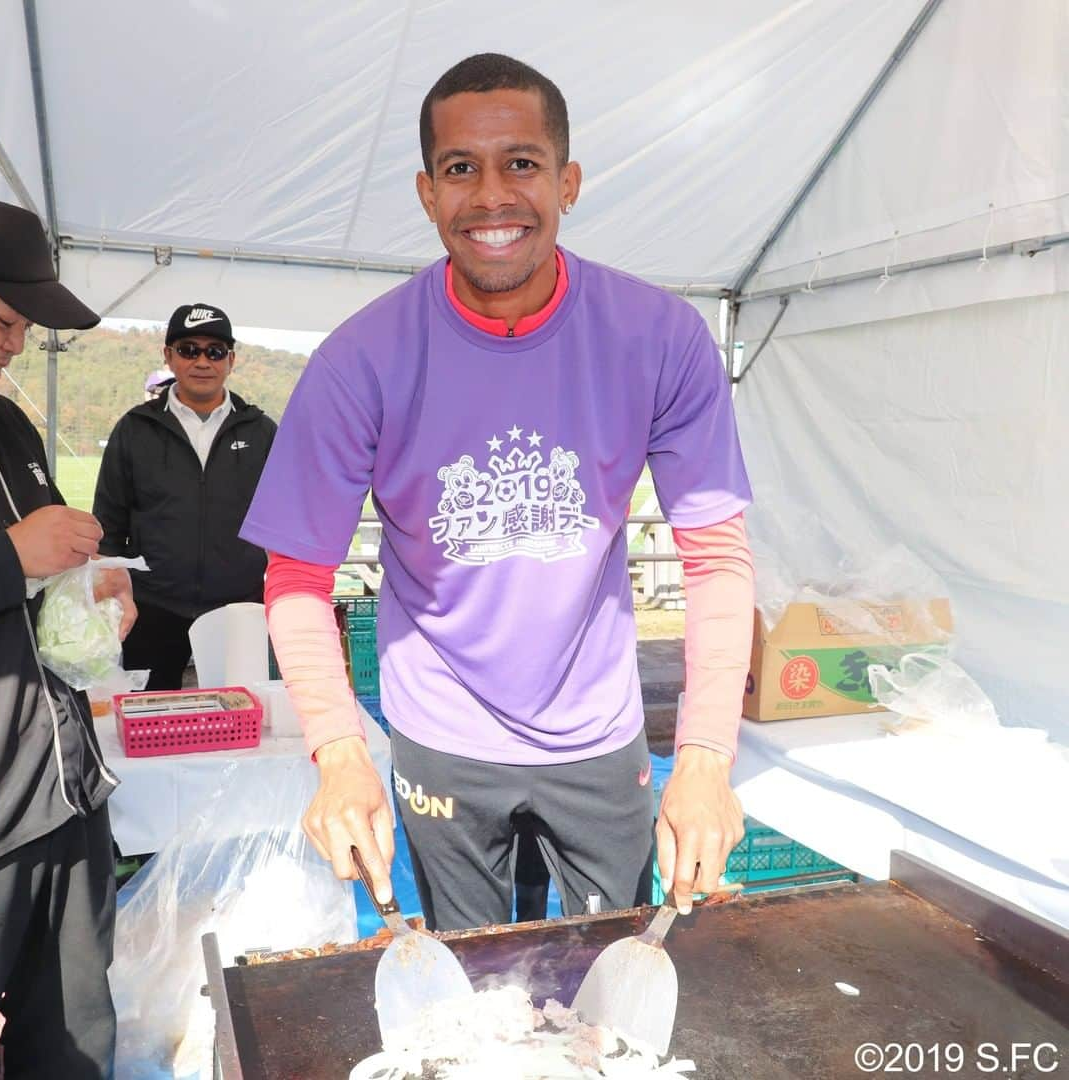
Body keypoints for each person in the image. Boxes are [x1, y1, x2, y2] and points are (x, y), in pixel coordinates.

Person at [243, 53, 755, 931]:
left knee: (616, 973)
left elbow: (715, 557)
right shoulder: (359, 360)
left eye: (521, 162)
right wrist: (339, 749)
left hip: (598, 728)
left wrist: (706, 756)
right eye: (459, 169)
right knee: (470, 988)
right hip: (439, 732)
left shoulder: (660, 337)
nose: (490, 196)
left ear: (569, 180)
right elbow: (297, 578)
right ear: (426, 191)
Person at [0, 198, 136, 1077]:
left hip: (64, 785)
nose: (13, 345)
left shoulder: (7, 422)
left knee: (76, 1027)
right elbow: (13, 559)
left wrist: (85, 587)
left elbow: (38, 586)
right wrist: (11, 557)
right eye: (4, 319)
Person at [93, 304, 276, 690]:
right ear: (168, 356)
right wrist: (112, 593)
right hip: (151, 607)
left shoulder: (262, 431)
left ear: (231, 359)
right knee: (150, 726)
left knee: (239, 725)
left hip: (238, 609)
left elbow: (284, 519)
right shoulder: (134, 428)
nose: (202, 361)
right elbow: (107, 523)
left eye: (214, 351)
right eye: (189, 349)